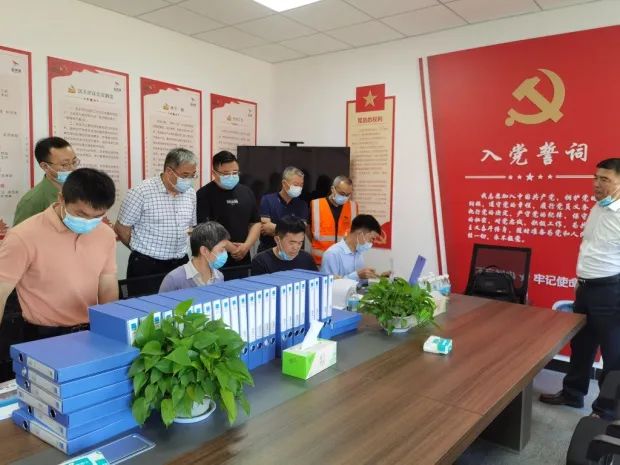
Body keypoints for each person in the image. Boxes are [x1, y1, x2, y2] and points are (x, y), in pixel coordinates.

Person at [540, 158, 620, 419]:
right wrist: (581, 280)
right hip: (586, 288)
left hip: (611, 292)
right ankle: (573, 394)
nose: (596, 184)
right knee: (581, 346)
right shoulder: (598, 207)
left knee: (613, 355)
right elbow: (590, 247)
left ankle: (605, 411)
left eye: (605, 179)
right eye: (596, 178)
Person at [0, 168, 117, 340]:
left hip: (91, 329)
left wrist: (110, 328)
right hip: (44, 334)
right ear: (61, 199)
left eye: (97, 216)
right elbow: (1, 291)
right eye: (81, 214)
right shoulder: (23, 236)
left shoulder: (105, 234)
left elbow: (107, 284)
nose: (88, 222)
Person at [115, 148, 197, 293]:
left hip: (180, 263)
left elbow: (190, 226)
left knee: (180, 305)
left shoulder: (190, 193)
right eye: (185, 175)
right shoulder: (141, 192)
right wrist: (141, 251)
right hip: (147, 267)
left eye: (193, 175)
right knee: (146, 306)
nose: (189, 180)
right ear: (169, 171)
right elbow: (121, 229)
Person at [196, 150, 260, 279]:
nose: (231, 176)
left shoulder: (246, 192)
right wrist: (232, 248)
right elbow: (206, 229)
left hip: (242, 258)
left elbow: (255, 223)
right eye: (226, 173)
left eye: (235, 172)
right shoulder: (204, 194)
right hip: (215, 259)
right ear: (214, 173)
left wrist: (246, 246)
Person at [13, 137, 79, 226]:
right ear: (45, 166)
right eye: (64, 164)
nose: (72, 168)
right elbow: (19, 234)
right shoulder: (32, 201)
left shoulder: (80, 191)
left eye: (74, 162)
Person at [159, 222, 230, 292]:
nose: (225, 253)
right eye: (221, 250)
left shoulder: (219, 276)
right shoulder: (173, 279)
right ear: (204, 251)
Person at [258, 166, 309, 253]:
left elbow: (300, 232)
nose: (299, 188)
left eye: (301, 185)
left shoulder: (302, 205)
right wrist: (291, 231)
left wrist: (275, 228)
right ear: (284, 184)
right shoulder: (267, 200)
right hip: (268, 252)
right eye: (296, 184)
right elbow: (265, 228)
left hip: (293, 253)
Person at [310, 175, 358, 266]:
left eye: (348, 195)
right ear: (333, 189)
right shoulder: (316, 204)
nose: (345, 197)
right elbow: (308, 229)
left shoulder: (353, 207)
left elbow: (354, 233)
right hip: (320, 262)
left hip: (343, 261)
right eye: (342, 193)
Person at [320, 214, 385, 281]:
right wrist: (357, 276)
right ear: (360, 234)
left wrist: (378, 276)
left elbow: (360, 281)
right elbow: (328, 283)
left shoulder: (359, 252)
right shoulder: (332, 254)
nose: (371, 243)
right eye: (372, 238)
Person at [251, 215, 317, 276]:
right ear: (277, 240)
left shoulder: (307, 259)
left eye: (300, 243)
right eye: (291, 243)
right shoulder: (261, 262)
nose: (296, 247)